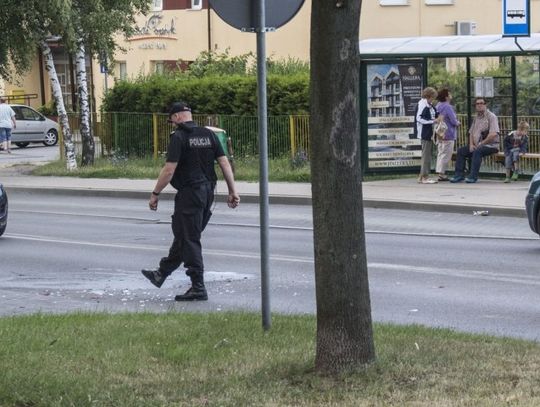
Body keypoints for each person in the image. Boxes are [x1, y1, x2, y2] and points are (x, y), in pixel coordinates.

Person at [141, 102, 240, 301]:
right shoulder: (208, 134)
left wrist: (155, 193)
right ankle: (161, 273)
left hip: (190, 193)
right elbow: (224, 162)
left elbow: (169, 170)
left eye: (172, 120)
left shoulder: (179, 137)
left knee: (189, 239)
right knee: (184, 234)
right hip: (208, 192)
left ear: (177, 117)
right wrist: (232, 190)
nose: (172, 124)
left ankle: (198, 287)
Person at [450, 97, 500, 184]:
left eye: (481, 103)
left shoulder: (491, 117)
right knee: (461, 151)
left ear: (485, 105)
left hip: (491, 146)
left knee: (477, 151)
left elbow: (493, 134)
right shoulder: (476, 118)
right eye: (477, 104)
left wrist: (481, 144)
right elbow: (471, 132)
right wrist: (471, 145)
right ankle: (459, 175)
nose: (479, 105)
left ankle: (472, 177)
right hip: (477, 145)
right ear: (475, 106)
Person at [435, 88, 460, 181]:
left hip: (440, 133)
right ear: (446, 97)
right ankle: (442, 174)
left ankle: (439, 172)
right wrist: (458, 123)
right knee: (446, 154)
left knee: (440, 153)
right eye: (449, 94)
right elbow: (453, 120)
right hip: (448, 133)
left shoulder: (438, 105)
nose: (450, 95)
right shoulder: (448, 107)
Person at [416, 87, 438, 184]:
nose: (433, 99)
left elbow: (434, 114)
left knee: (427, 155)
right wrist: (433, 121)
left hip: (429, 132)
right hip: (424, 132)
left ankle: (422, 176)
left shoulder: (429, 105)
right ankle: (424, 177)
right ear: (429, 96)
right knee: (426, 155)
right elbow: (419, 118)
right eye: (433, 97)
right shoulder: (422, 104)